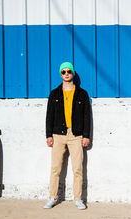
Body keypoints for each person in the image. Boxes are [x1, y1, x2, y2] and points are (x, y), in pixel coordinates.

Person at [44, 62, 91, 209]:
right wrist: (48, 135)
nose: (66, 74)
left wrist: (86, 135)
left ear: (73, 73)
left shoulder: (82, 94)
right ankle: (52, 197)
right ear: (60, 74)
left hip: (76, 135)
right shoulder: (54, 93)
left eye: (69, 71)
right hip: (58, 134)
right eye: (63, 72)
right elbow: (49, 116)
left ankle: (78, 199)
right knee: (55, 168)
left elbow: (86, 116)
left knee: (77, 168)